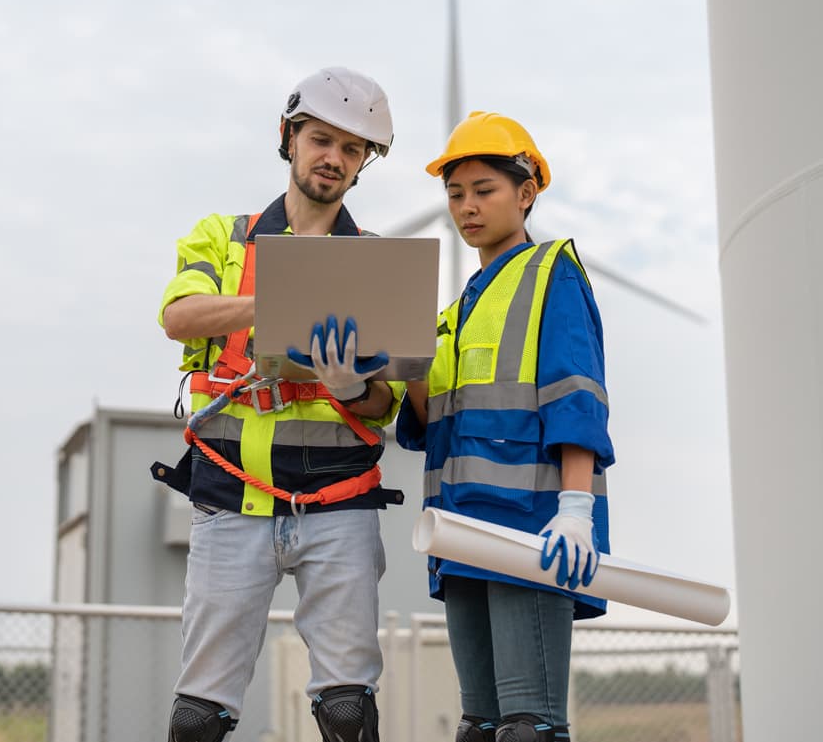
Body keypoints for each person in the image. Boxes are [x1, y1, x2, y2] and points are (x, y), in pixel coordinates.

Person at [153, 67, 406, 742]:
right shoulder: (224, 237)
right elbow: (180, 316)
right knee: (198, 716)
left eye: (353, 150)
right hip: (231, 499)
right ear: (289, 137)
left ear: (363, 165)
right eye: (321, 139)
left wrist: (358, 387)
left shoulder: (378, 263)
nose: (334, 158)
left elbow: (389, 402)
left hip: (340, 505)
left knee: (349, 710)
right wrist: (279, 302)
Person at [398, 111, 615, 742]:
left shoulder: (552, 275)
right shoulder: (455, 311)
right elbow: (426, 422)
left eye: (483, 190)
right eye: (454, 193)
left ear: (526, 193)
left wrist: (576, 509)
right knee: (481, 728)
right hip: (460, 532)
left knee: (529, 729)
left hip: (533, 530)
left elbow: (577, 395)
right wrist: (396, 359)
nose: (466, 207)